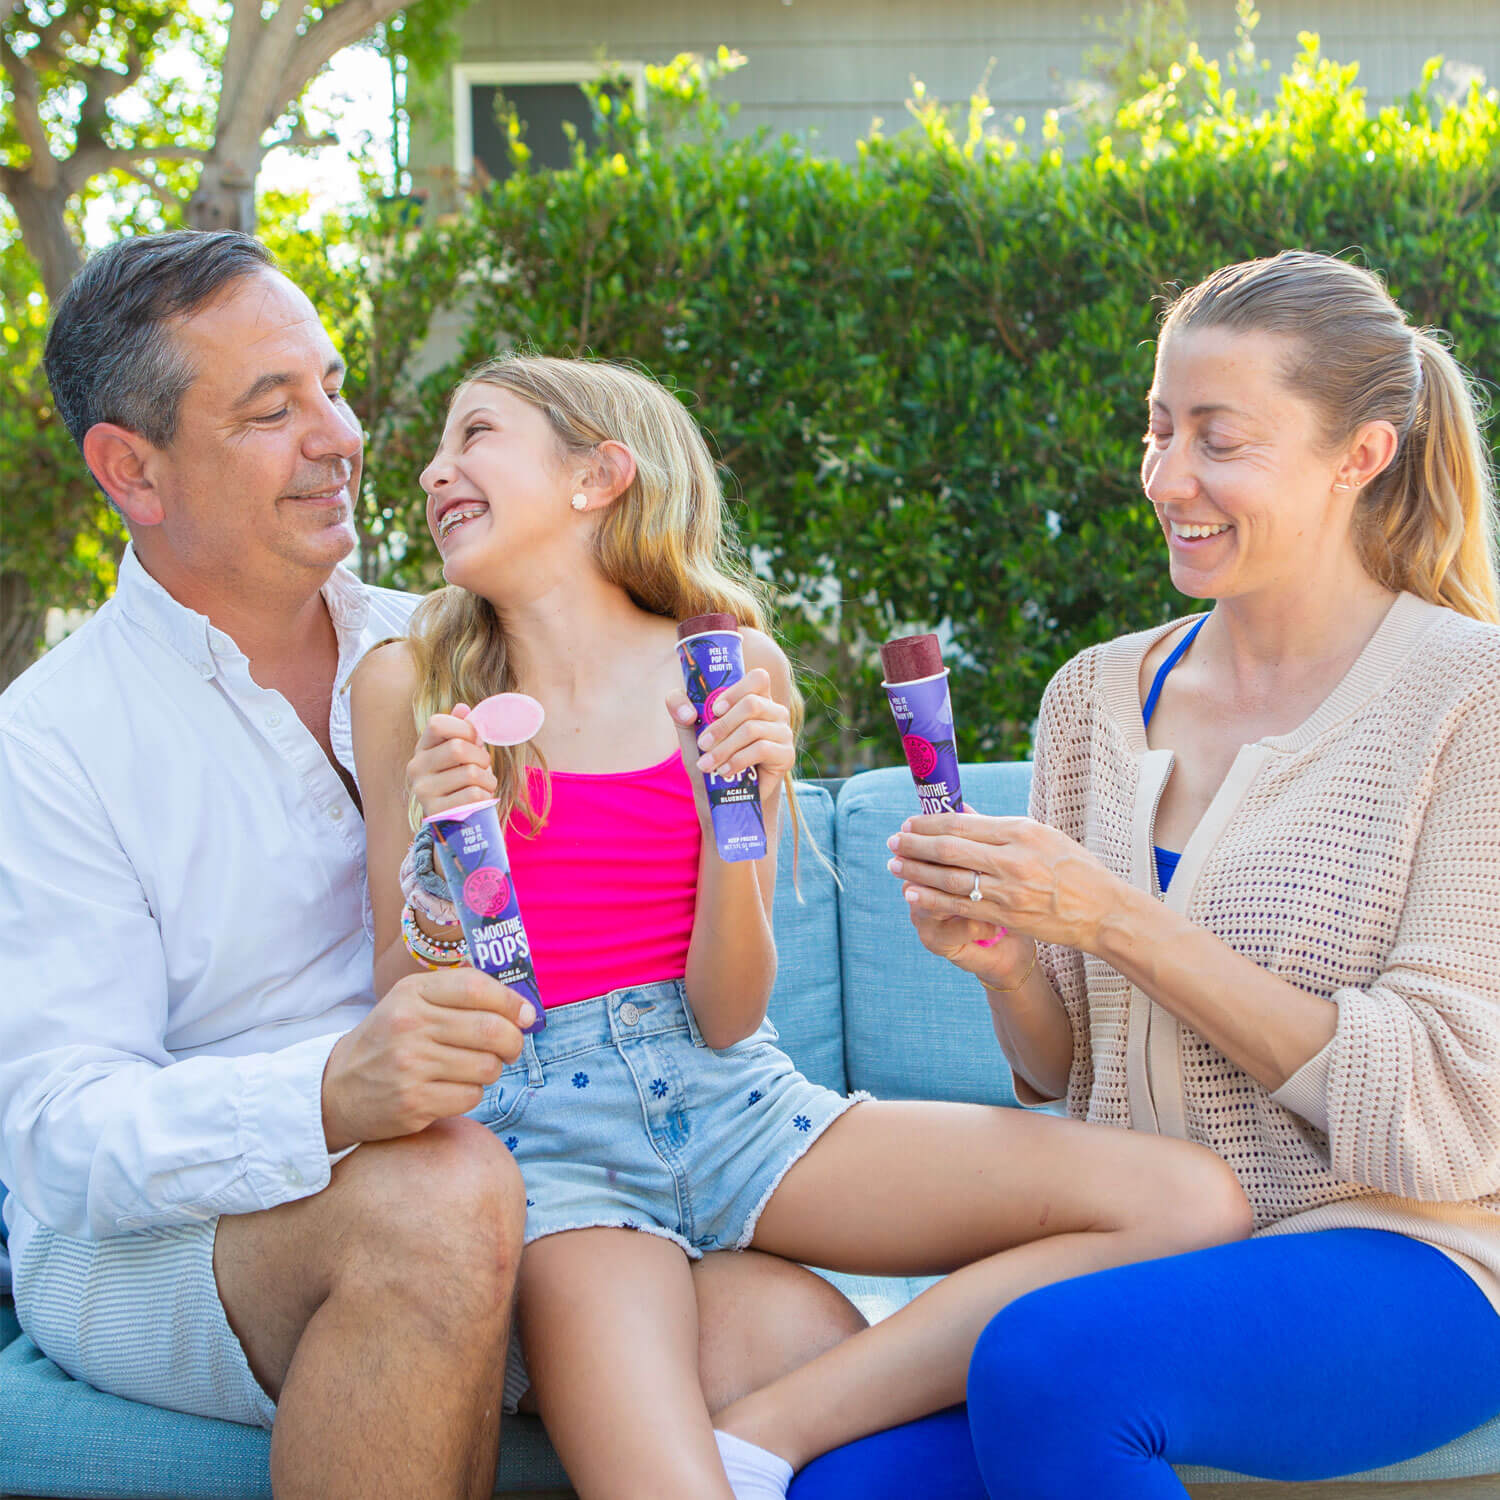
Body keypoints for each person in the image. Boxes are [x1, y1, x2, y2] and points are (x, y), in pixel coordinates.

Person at [0, 229, 873, 1500]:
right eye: (270, 410)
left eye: (334, 388)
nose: (340, 437)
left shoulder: (452, 645)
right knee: (436, 1194)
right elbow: (52, 1134)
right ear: (132, 469)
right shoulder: (51, 739)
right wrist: (327, 1096)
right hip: (181, 1237)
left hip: (528, 1167)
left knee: (788, 1335)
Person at [347, 352, 1252, 1500]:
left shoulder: (729, 666)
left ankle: (777, 1425)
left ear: (599, 476)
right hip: (548, 1151)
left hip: (736, 1103)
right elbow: (398, 991)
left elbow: (729, 1012)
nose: (433, 472)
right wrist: (443, 849)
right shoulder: (409, 686)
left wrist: (733, 812)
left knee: (1189, 1201)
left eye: (475, 435)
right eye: (437, 449)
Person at [794, 250, 1500, 1499]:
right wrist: (1011, 964)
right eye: (1158, 431)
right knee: (843, 1487)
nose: (1169, 480)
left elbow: (1445, 1117)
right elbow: (1069, 1075)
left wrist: (1120, 919)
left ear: (1363, 457)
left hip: (1416, 1251)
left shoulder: (1471, 700)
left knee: (1058, 1362)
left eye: (1219, 441)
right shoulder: (1096, 696)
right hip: (1159, 1259)